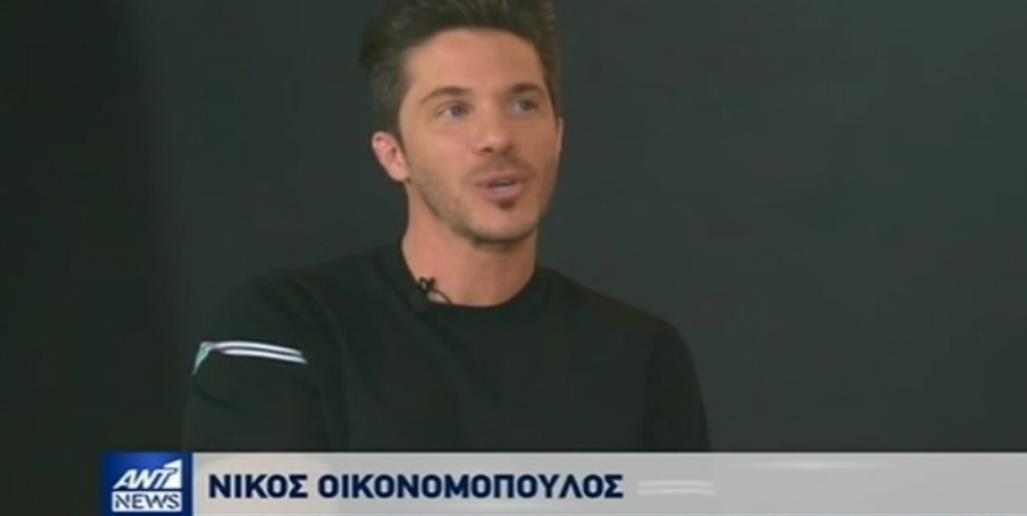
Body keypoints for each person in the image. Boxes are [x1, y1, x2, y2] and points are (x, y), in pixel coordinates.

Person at [182, 0, 709, 451]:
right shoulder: (284, 328)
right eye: (454, 110)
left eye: (523, 104)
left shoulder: (640, 356)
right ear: (393, 155)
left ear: (558, 137)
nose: (497, 137)